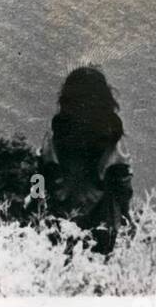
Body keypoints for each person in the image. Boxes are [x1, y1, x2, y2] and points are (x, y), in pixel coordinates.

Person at [40, 66, 133, 255]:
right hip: (100, 221)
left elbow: (43, 172)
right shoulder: (112, 136)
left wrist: (35, 205)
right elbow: (122, 184)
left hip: (61, 215)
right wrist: (126, 216)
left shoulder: (56, 132)